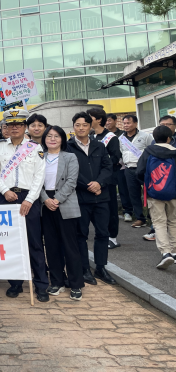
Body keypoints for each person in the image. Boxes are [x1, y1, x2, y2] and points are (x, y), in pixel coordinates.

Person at [0, 109, 48, 302]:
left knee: (34, 243)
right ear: (6, 127)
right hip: (6, 197)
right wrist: (5, 190)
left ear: (24, 127)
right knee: (10, 242)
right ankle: (15, 283)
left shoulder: (34, 147)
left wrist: (29, 200)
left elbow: (40, 176)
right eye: (10, 125)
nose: (14, 128)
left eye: (19, 124)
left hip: (28, 197)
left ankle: (41, 285)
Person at [66, 112, 116, 286]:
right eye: (77, 125)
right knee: (81, 235)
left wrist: (99, 183)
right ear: (73, 127)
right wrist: (88, 185)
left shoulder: (99, 146)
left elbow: (108, 167)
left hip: (101, 197)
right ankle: (85, 269)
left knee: (103, 233)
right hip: (80, 198)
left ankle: (101, 267)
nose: (81, 128)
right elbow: (69, 173)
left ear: (90, 127)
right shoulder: (67, 147)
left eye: (84, 125)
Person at [38, 126, 84, 300]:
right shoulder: (39, 156)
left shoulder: (70, 157)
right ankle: (57, 281)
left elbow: (72, 181)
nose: (52, 139)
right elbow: (35, 181)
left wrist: (56, 199)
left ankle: (76, 284)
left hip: (64, 202)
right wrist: (45, 199)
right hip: (45, 202)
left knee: (70, 246)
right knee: (51, 245)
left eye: (56, 136)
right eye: (49, 136)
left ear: (62, 139)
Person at [136, 125, 176, 269]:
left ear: (154, 138)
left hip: (154, 193)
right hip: (174, 193)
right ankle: (174, 250)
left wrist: (147, 184)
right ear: (168, 138)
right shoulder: (174, 152)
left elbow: (139, 171)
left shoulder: (148, 151)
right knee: (173, 221)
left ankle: (165, 253)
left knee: (159, 223)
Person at [87, 108, 123, 250]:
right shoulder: (91, 137)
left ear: (98, 119)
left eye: (90, 118)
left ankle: (112, 236)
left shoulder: (111, 137)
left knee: (111, 208)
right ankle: (102, 233)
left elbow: (115, 158)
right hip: (92, 180)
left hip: (107, 180)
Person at [120, 115, 153, 228]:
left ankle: (152, 218)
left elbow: (152, 150)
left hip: (144, 170)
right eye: (124, 123)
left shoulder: (145, 136)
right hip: (129, 169)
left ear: (135, 123)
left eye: (128, 123)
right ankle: (140, 218)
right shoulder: (121, 138)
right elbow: (121, 153)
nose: (126, 125)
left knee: (149, 194)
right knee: (133, 195)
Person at [106, 112, 134, 223]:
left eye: (109, 120)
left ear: (115, 121)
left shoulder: (122, 134)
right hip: (108, 167)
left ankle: (127, 211)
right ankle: (110, 212)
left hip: (121, 166)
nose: (107, 123)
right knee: (109, 190)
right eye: (106, 120)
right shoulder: (104, 135)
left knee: (123, 189)